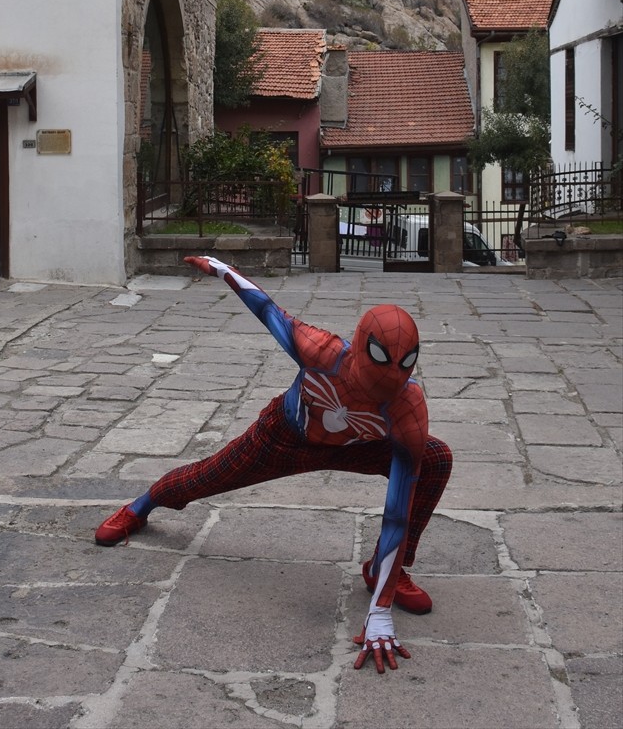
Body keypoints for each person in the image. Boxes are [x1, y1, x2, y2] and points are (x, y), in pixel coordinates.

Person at [95, 256, 452, 674]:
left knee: (435, 457)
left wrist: (381, 609)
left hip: (358, 446)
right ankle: (141, 507)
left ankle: (383, 570)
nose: (383, 388)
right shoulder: (319, 351)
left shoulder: (407, 407)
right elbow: (264, 306)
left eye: (395, 376)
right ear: (357, 350)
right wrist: (219, 268)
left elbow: (397, 510)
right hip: (285, 437)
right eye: (374, 373)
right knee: (209, 476)